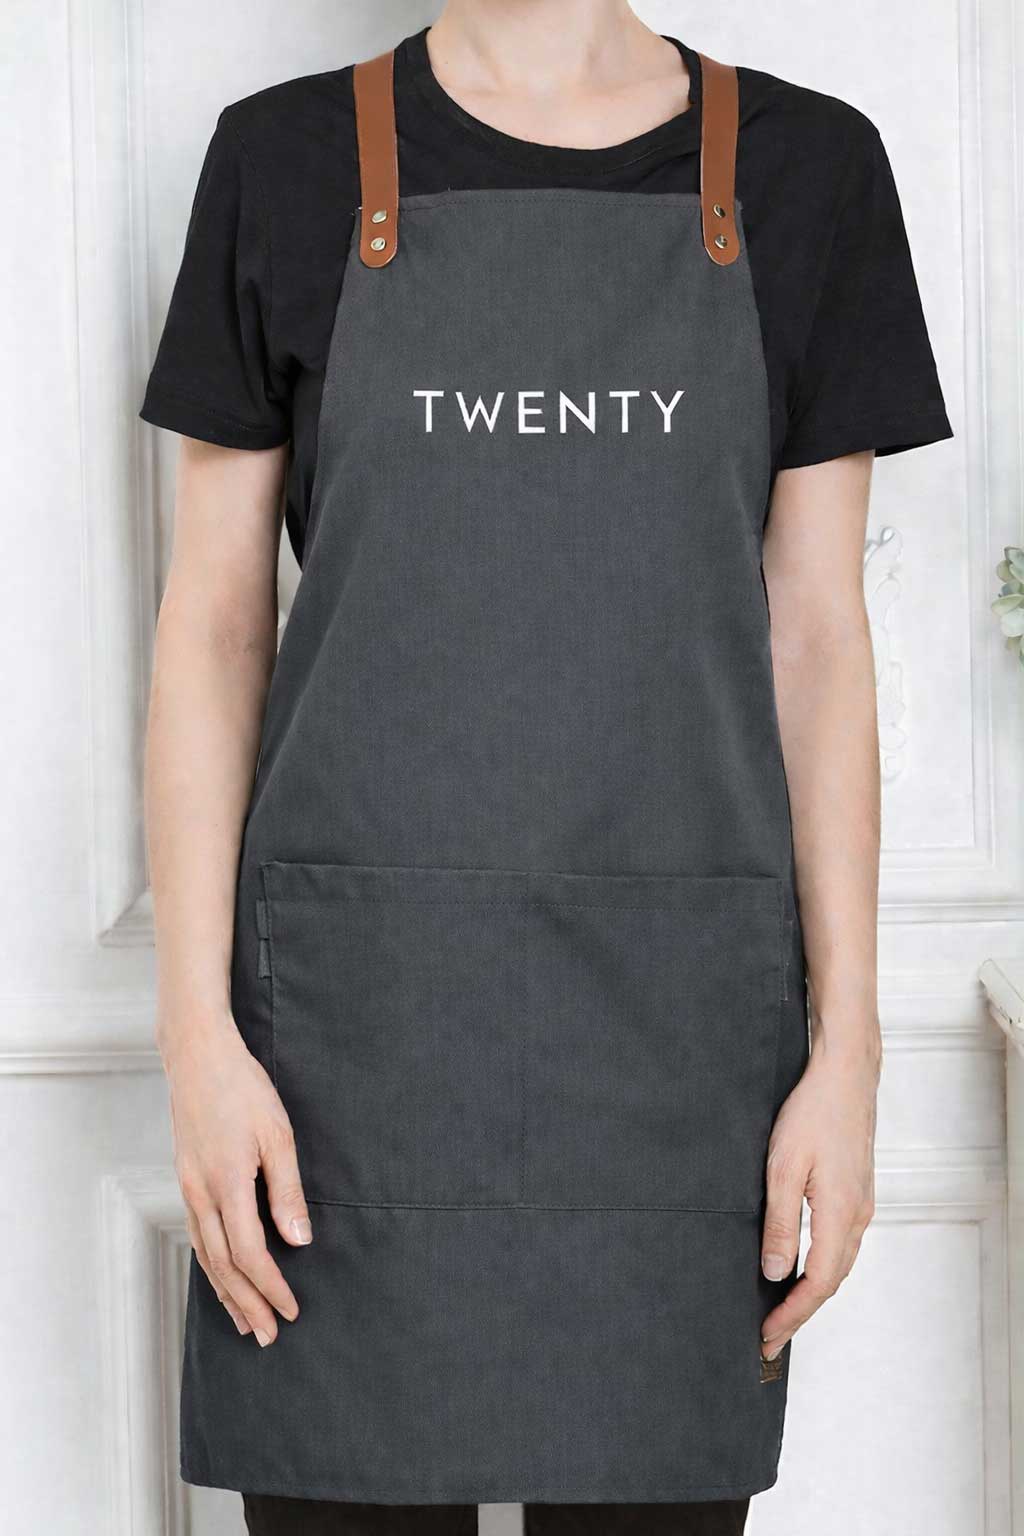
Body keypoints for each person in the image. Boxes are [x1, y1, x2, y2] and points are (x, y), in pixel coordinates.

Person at [139, 2, 953, 1533]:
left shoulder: (810, 172)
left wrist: (849, 1051)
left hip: (676, 1071)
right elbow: (212, 626)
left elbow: (819, 642)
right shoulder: (283, 162)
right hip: (345, 1074)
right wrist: (195, 1036)